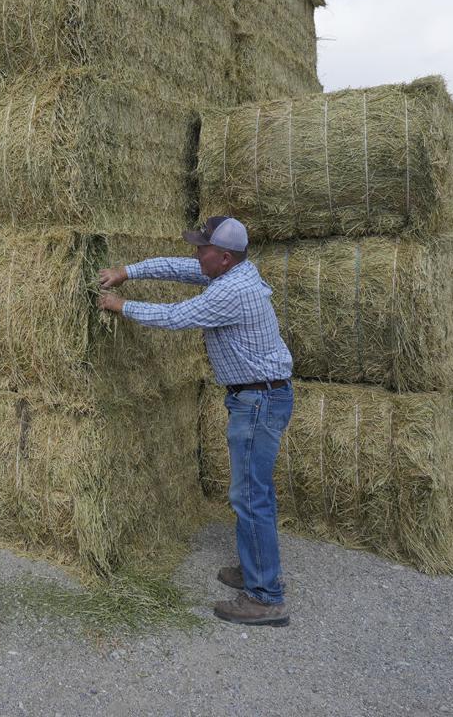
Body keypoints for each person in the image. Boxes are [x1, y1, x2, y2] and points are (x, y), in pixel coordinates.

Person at [97, 215, 294, 627]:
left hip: (258, 400)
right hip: (259, 396)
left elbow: (176, 317)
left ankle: (265, 597)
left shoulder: (232, 292)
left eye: (201, 248)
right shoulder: (229, 271)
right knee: (254, 492)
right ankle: (258, 568)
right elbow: (175, 267)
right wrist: (126, 272)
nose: (195, 253)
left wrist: (121, 305)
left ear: (223, 257)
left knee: (250, 496)